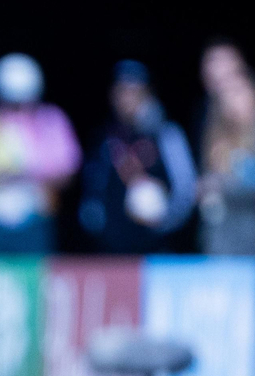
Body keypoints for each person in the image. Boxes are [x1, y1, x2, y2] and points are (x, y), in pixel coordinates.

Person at [0, 52, 80, 252]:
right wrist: (0, 174)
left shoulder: (52, 120)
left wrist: (30, 174)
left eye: (23, 101)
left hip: (36, 222)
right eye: (11, 101)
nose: (18, 109)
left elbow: (68, 171)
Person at [78, 60, 196, 254]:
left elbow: (185, 188)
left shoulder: (166, 134)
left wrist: (164, 220)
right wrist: (97, 226)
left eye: (135, 92)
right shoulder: (104, 137)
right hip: (111, 250)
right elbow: (92, 192)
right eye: (122, 91)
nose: (127, 98)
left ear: (148, 94)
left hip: (157, 248)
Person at [195, 40, 255, 256]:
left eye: (238, 92)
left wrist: (222, 186)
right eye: (227, 95)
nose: (232, 101)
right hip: (219, 241)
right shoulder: (216, 137)